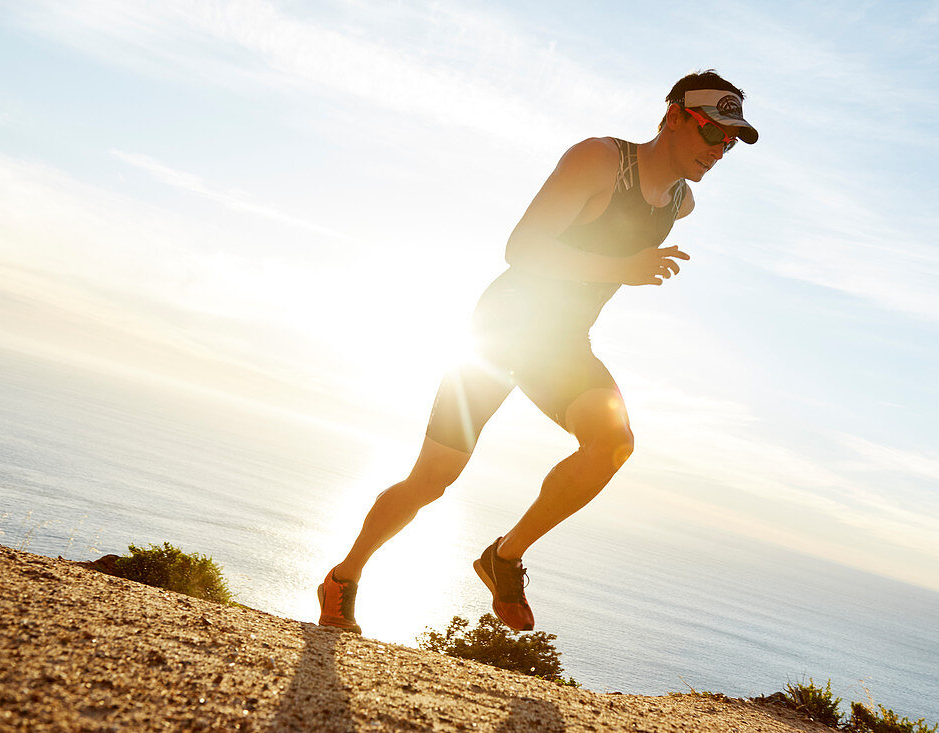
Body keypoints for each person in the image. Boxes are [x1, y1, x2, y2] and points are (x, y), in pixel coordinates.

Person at [318, 69, 758, 633]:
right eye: (711, 132)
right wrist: (621, 268)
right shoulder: (599, 160)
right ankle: (344, 578)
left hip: (562, 344)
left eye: (730, 141)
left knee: (612, 444)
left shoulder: (681, 200)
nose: (720, 150)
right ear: (673, 116)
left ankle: (502, 556)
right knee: (432, 478)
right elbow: (520, 247)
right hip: (503, 329)